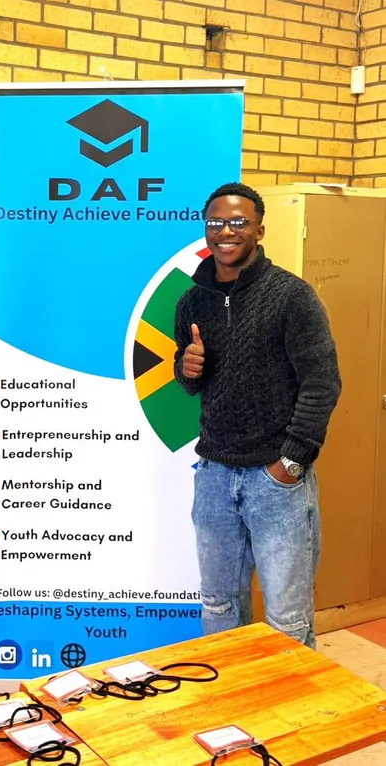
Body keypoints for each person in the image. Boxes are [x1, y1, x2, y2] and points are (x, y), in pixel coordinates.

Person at [173, 182, 341, 650]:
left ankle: (292, 698)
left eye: (238, 222)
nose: (225, 231)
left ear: (259, 230)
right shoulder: (192, 302)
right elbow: (189, 382)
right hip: (213, 475)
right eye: (216, 222)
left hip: (275, 481)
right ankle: (230, 693)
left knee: (287, 619)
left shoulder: (291, 296)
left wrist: (290, 463)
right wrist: (187, 367)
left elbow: (323, 383)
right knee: (218, 605)